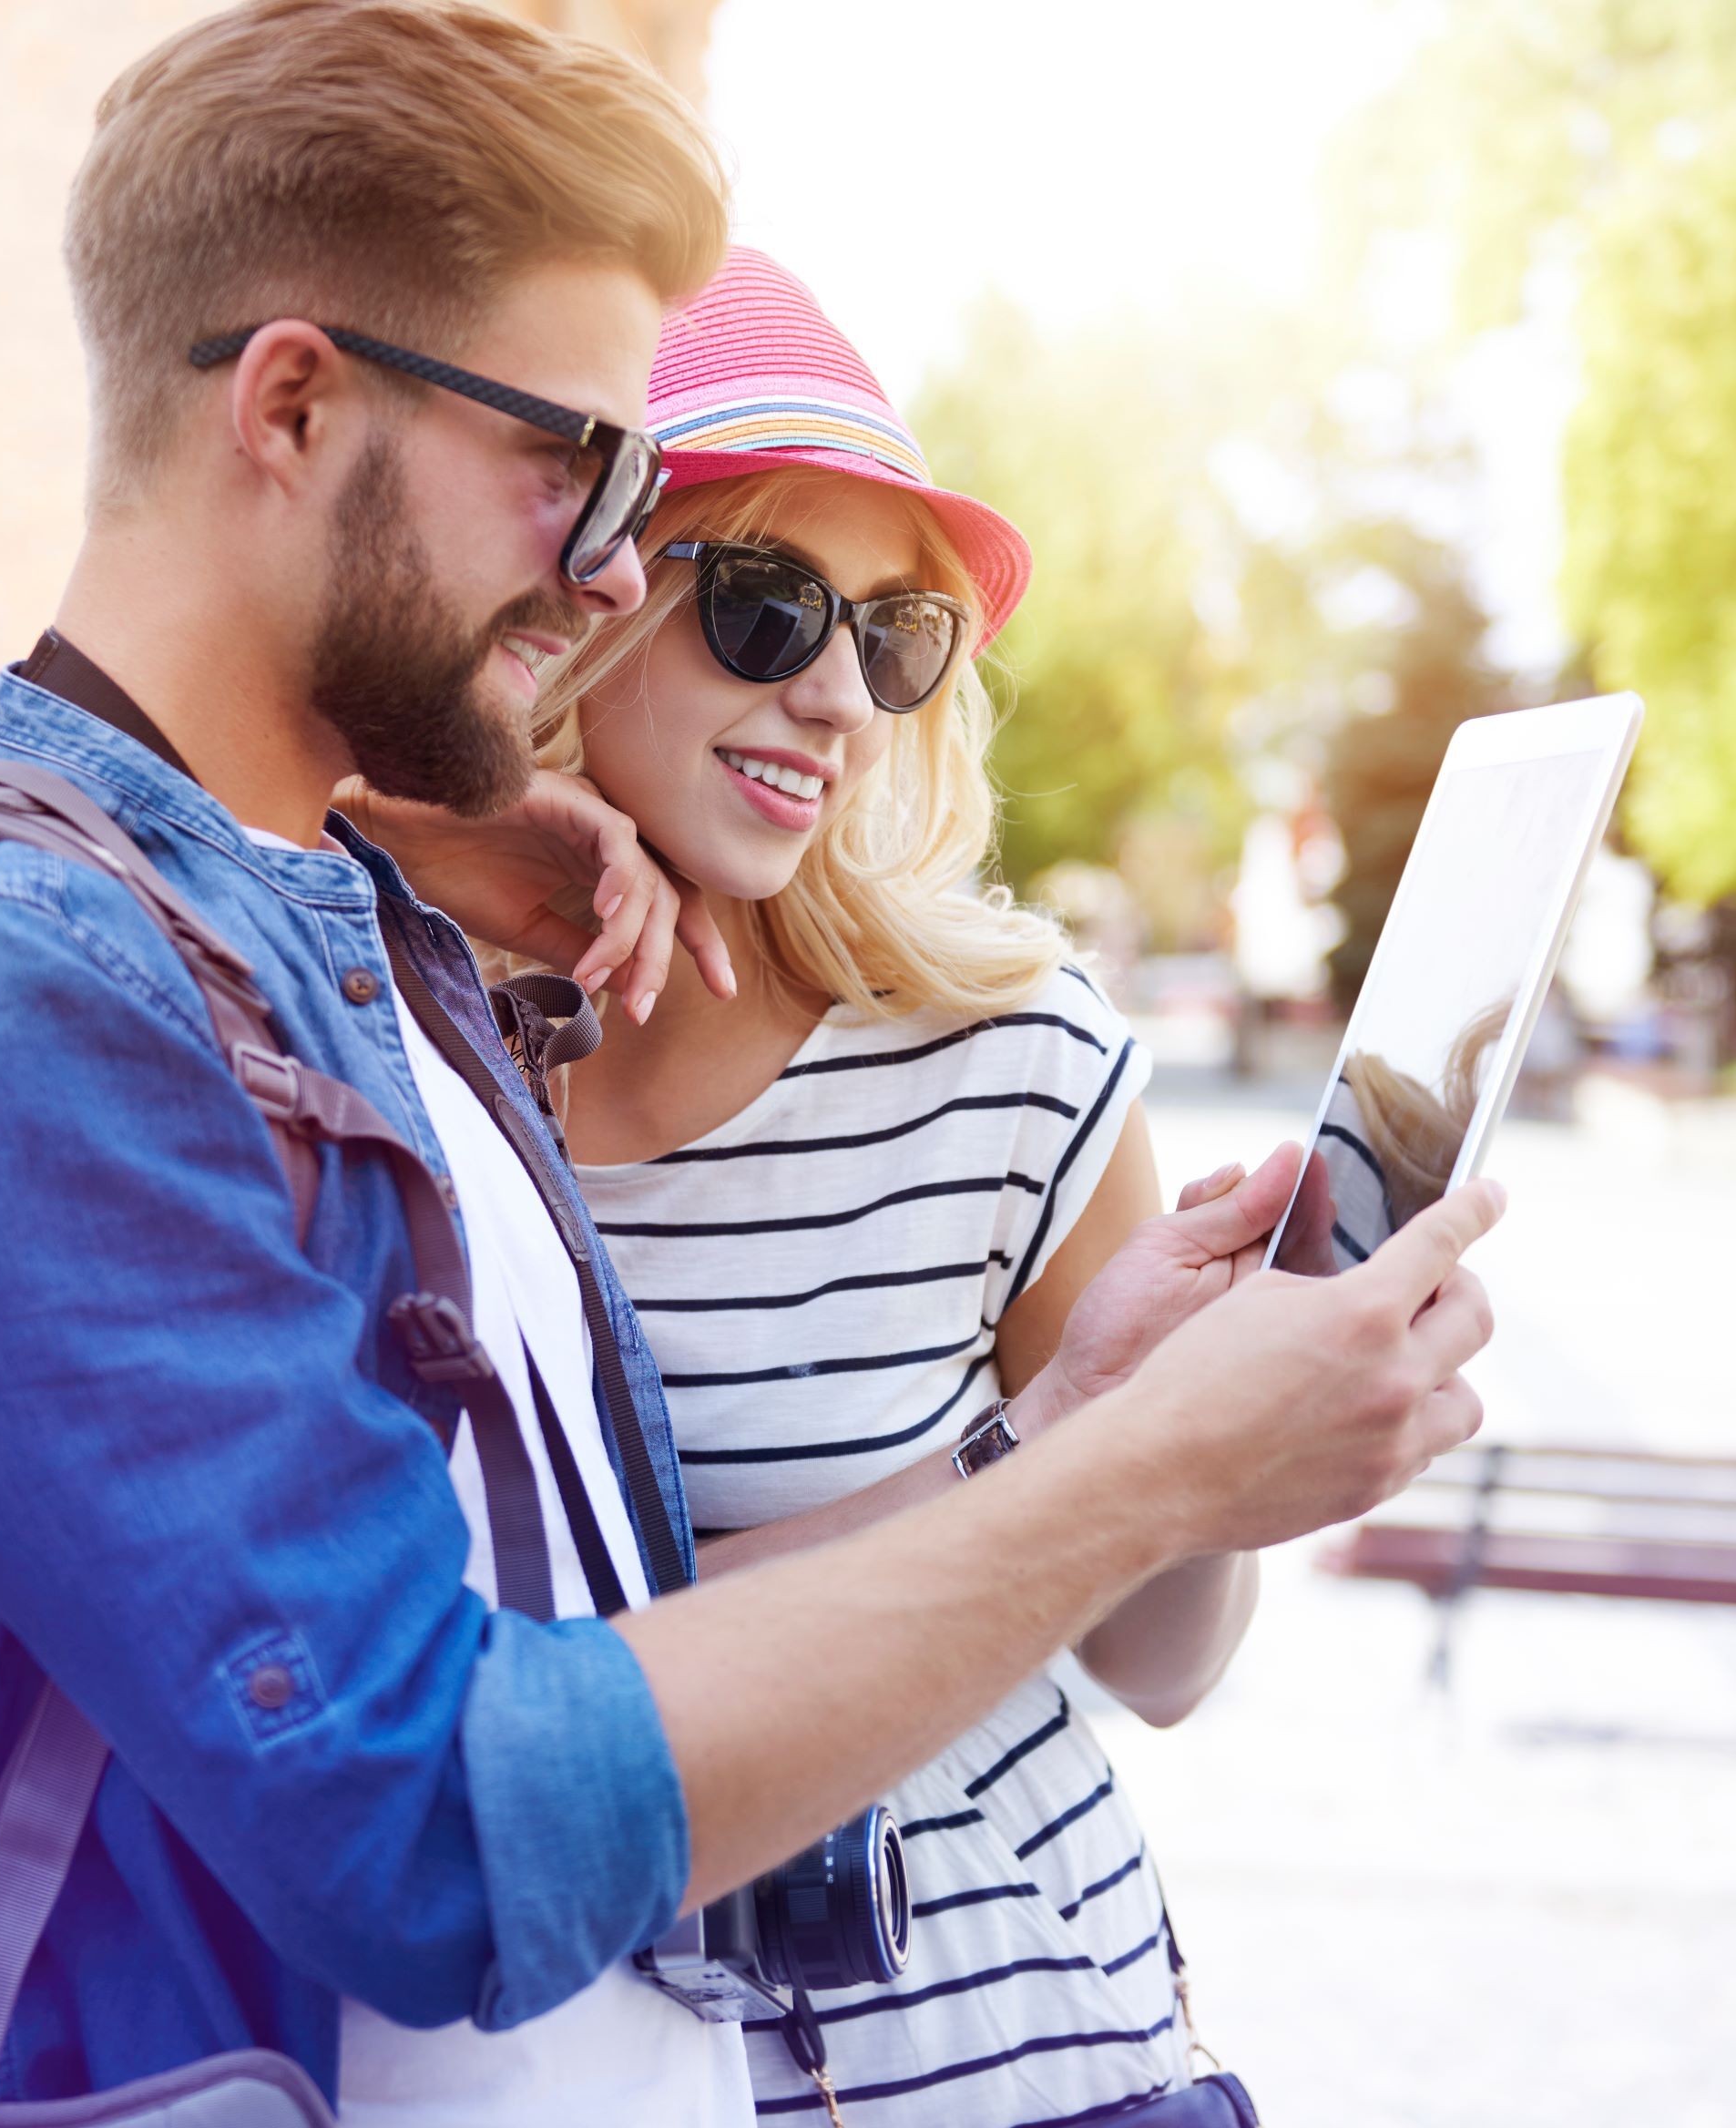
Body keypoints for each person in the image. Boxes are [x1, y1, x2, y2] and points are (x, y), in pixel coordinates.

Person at [0, 6, 1500, 2123]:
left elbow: (609, 1630)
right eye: (586, 467)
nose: (619, 567)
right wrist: (1148, 1473)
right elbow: (442, 1823)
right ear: (288, 403)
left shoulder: (348, 935)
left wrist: (1073, 1422)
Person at [390, 250, 1284, 2121]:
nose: (841, 702)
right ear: (589, 591)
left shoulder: (1007, 1054)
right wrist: (1044, 1455)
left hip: (1042, 2065)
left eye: (892, 636)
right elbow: (478, 1703)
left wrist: (1219, 1432)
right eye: (772, 607)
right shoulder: (369, 1071)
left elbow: (1164, 1662)